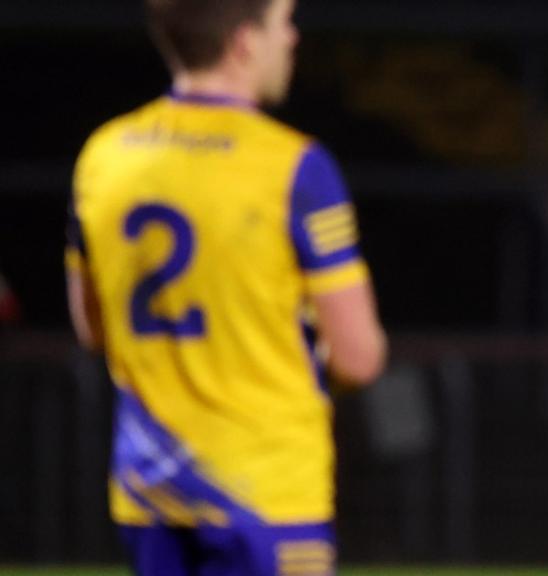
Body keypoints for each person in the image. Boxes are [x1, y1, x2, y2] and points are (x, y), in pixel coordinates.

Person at [64, 0, 387, 573]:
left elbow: (92, 329)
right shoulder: (294, 167)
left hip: (150, 492)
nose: (291, 39)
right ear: (243, 42)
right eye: (282, 23)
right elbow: (359, 358)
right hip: (264, 489)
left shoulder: (103, 155)